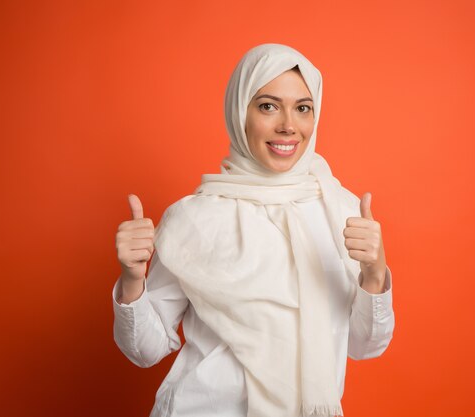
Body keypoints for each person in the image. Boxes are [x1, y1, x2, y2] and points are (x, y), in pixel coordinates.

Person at [113, 43, 394, 417]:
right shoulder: (193, 217)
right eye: (268, 105)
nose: (288, 125)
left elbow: (364, 345)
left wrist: (375, 274)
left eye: (303, 108)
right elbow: (146, 351)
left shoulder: (341, 211)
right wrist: (133, 282)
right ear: (238, 111)